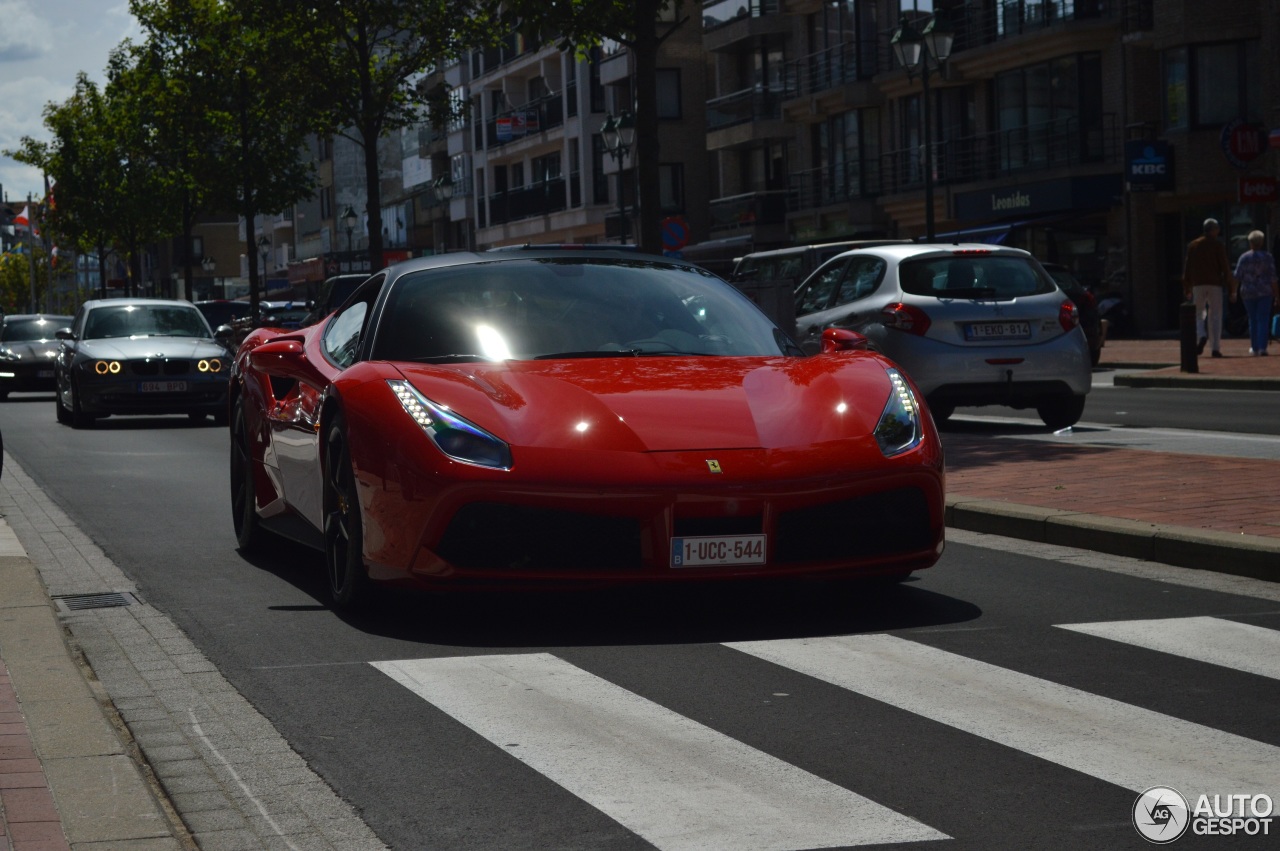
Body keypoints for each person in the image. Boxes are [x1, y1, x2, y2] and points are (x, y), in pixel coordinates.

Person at [1182, 218, 1236, 358]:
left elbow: (1187, 267)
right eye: (1217, 228)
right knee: (1216, 315)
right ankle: (1215, 348)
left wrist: (1187, 286)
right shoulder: (1217, 245)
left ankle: (1201, 336)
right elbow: (1225, 267)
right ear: (1213, 230)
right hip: (1215, 284)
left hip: (1198, 284)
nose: (1218, 231)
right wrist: (1231, 288)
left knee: (1198, 313)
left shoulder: (1193, 245)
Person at [1233, 229, 1280, 356]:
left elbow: (1237, 276)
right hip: (1265, 292)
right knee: (1263, 319)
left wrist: (1233, 292)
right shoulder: (1268, 257)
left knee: (1252, 319)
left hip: (1248, 292)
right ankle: (1262, 347)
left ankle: (1254, 347)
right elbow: (1273, 278)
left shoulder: (1244, 257)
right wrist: (1277, 295)